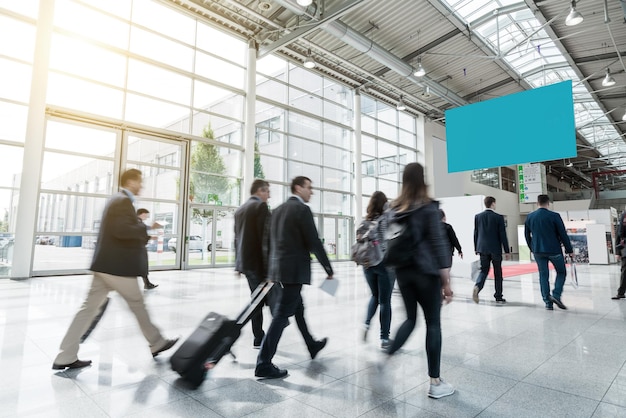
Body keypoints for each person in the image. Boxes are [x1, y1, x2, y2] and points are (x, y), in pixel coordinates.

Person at [52, 169, 178, 370]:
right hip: (116, 267)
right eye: (139, 182)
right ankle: (156, 342)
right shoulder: (122, 201)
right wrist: (147, 228)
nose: (141, 186)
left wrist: (142, 230)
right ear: (131, 182)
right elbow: (123, 230)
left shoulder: (116, 200)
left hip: (105, 265)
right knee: (137, 303)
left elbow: (121, 229)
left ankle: (65, 355)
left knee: (88, 309)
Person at [385, 162, 454, 399]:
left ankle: (387, 355)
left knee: (410, 319)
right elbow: (438, 245)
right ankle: (435, 382)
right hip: (426, 273)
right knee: (433, 323)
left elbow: (389, 240)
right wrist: (446, 282)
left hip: (403, 273)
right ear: (422, 179)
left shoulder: (395, 209)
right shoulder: (429, 208)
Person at [255, 176, 333, 379]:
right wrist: (328, 268)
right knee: (282, 315)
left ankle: (312, 345)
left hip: (278, 270)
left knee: (298, 309)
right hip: (293, 271)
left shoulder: (277, 210)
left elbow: (267, 242)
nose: (311, 192)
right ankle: (264, 363)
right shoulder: (302, 210)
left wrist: (269, 269)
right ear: (298, 188)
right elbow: (314, 241)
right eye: (309, 187)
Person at [234, 179, 272, 348]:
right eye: (267, 192)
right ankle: (238, 333)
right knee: (257, 301)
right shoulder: (260, 207)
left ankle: (259, 335)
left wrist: (237, 264)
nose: (269, 196)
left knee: (257, 298)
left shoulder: (240, 210)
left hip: (246, 263)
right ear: (259, 191)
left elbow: (237, 239)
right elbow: (266, 239)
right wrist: (270, 267)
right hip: (258, 264)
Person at [524, 194, 574, 310]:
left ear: (537, 203)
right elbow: (563, 234)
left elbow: (526, 235)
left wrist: (532, 247)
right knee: (561, 272)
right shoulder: (554, 216)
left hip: (538, 251)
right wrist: (569, 250)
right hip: (554, 250)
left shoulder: (530, 216)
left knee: (543, 275)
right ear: (548, 203)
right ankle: (556, 295)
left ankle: (547, 302)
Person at [361, 191, 394, 350]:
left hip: (367, 265)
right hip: (383, 263)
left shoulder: (365, 220)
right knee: (385, 301)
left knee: (374, 295)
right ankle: (384, 338)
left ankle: (366, 324)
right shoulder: (386, 218)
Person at [473, 196, 510, 304]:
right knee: (498, 272)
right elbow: (502, 234)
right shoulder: (498, 217)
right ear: (493, 204)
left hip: (482, 248)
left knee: (484, 270)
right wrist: (507, 250)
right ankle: (498, 295)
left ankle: (477, 286)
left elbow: (476, 233)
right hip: (495, 249)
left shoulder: (478, 216)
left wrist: (476, 247)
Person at [137, 208, 158, 290]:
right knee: (141, 266)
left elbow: (144, 228)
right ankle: (147, 284)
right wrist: (151, 237)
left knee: (142, 267)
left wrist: (152, 228)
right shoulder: (137, 222)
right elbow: (140, 233)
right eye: (146, 215)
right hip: (138, 248)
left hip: (138, 248)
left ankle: (147, 283)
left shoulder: (138, 222)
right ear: (142, 214)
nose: (147, 217)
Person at [612, 209, 626, 300]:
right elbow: (618, 234)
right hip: (625, 248)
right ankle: (621, 292)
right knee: (624, 271)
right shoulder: (624, 215)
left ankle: (621, 292)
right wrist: (617, 251)